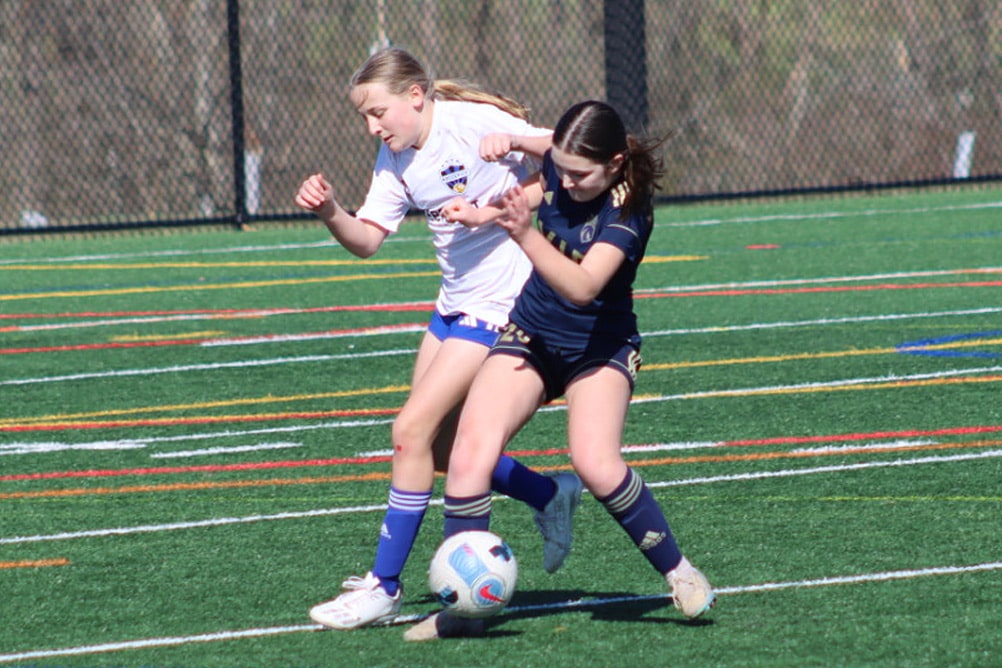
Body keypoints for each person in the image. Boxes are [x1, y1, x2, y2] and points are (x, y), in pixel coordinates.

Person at [294, 47, 582, 630]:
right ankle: (549, 495)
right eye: (365, 118)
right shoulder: (394, 156)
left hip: (500, 304)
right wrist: (330, 211)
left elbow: (567, 152)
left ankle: (384, 586)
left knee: (409, 431)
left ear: (417, 97)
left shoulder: (467, 122)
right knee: (442, 451)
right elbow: (369, 238)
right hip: (452, 307)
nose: (373, 127)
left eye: (378, 113)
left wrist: (509, 177)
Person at [405, 100, 715, 641]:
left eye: (580, 174)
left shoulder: (629, 210)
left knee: (595, 464)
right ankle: (466, 612)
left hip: (600, 348)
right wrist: (500, 168)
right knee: (469, 454)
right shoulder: (561, 164)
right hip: (532, 333)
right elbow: (538, 169)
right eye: (561, 169)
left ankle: (679, 571)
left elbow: (583, 287)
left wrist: (522, 234)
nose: (565, 182)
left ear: (616, 163)